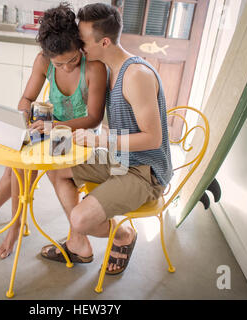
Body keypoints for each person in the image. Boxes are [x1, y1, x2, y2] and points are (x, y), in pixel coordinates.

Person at [41, 3, 173, 274]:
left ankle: (123, 235)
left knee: (79, 218)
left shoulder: (136, 75)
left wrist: (102, 141)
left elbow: (152, 139)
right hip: (120, 158)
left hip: (145, 172)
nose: (79, 46)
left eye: (83, 40)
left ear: (103, 42)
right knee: (55, 166)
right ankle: (78, 244)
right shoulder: (111, 70)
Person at [0, 2, 107, 259]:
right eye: (58, 64)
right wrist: (23, 115)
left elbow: (93, 117)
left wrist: (54, 127)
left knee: (27, 167)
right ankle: (10, 220)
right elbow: (27, 98)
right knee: (18, 164)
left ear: (79, 45)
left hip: (78, 136)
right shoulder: (43, 61)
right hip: (48, 126)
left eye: (72, 60)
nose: (66, 67)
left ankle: (6, 220)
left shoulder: (94, 68)